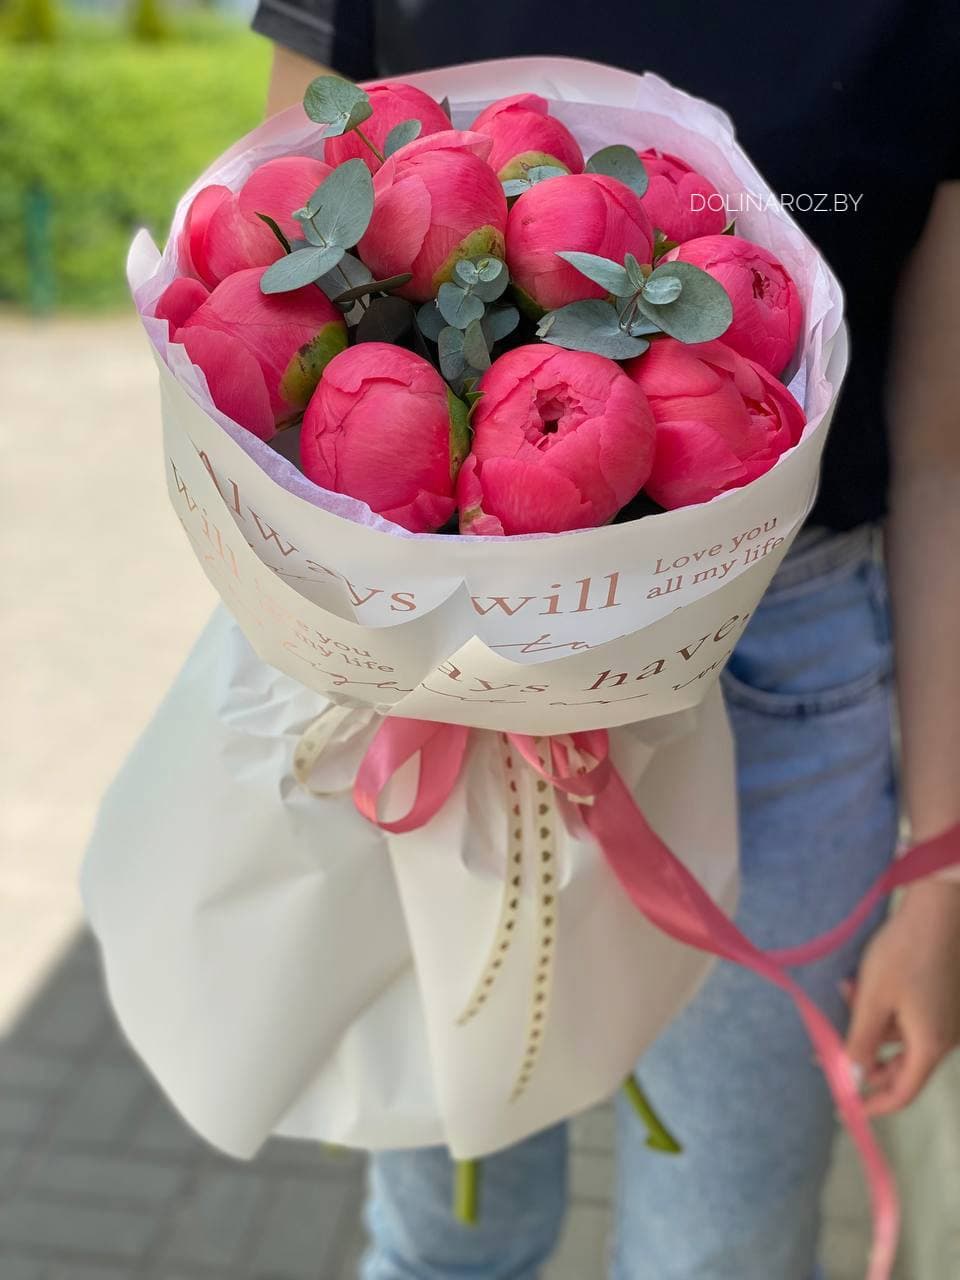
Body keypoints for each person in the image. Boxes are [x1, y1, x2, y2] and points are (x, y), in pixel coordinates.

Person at [250, 3, 960, 1276]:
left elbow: (947, 449)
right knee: (443, 1238)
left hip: (784, 688)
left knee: (722, 1253)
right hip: (441, 675)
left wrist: (945, 866)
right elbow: (269, 287)